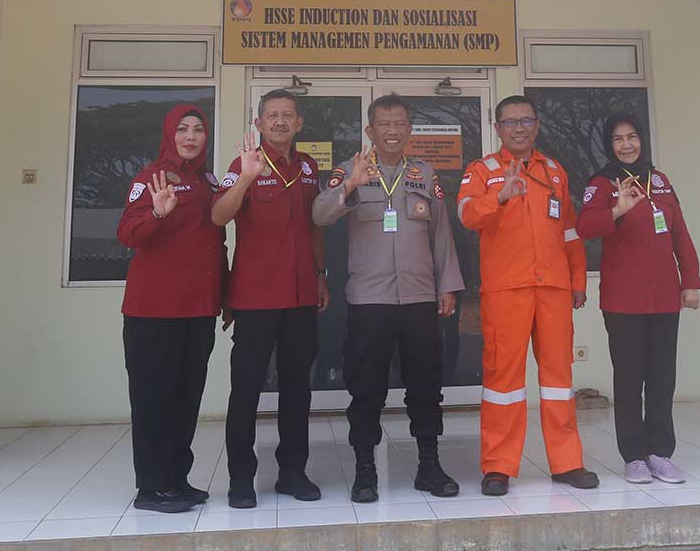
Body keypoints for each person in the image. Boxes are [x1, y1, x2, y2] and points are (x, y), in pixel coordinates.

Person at [313, 93, 464, 503]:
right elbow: (320, 215)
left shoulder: (424, 174)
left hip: (418, 298)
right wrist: (349, 185)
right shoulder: (351, 170)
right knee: (366, 388)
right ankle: (365, 471)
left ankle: (428, 467)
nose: (393, 131)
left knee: (426, 387)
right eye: (384, 124)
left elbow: (441, 235)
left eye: (400, 124)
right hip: (369, 300)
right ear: (370, 130)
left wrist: (447, 285)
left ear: (409, 130)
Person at [458, 95, 599, 496]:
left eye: (526, 120)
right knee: (503, 382)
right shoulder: (482, 170)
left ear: (536, 126)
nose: (518, 128)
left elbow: (569, 230)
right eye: (510, 121)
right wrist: (500, 197)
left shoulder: (554, 171)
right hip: (506, 290)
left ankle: (568, 462)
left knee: (558, 379)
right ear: (498, 127)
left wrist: (577, 281)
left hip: (553, 288)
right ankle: (498, 466)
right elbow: (467, 216)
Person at [211, 89, 329, 509]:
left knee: (297, 389)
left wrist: (320, 274)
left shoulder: (310, 168)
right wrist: (244, 177)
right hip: (255, 297)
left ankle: (292, 472)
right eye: (271, 116)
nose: (279, 122)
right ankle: (241, 478)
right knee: (245, 391)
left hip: (299, 296)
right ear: (258, 123)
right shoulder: (242, 164)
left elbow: (316, 226)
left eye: (287, 115)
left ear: (299, 124)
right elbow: (218, 216)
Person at [577, 113, 700, 486]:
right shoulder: (601, 184)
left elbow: (679, 232)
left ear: (641, 140)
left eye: (632, 137)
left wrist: (690, 281)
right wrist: (618, 209)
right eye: (618, 139)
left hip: (664, 296)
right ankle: (633, 455)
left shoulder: (660, 181)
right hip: (623, 300)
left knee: (663, 379)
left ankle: (660, 453)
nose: (627, 145)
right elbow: (585, 228)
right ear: (609, 144)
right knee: (630, 379)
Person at [116, 104, 227, 513]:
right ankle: (151, 487)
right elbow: (128, 232)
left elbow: (217, 244)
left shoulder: (208, 180)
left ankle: (176, 479)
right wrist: (158, 214)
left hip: (197, 312)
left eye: (198, 129)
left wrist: (225, 296)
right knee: (153, 400)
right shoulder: (151, 177)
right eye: (182, 129)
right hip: (153, 313)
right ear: (169, 133)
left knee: (185, 398)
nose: (191, 136)